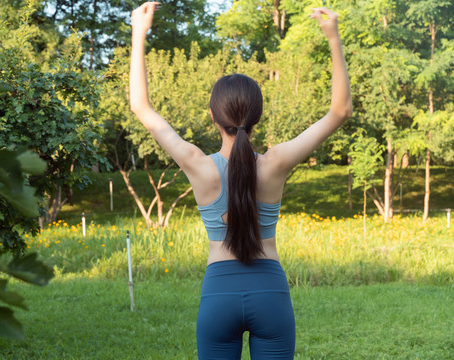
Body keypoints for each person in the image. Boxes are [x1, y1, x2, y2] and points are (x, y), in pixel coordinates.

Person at [130, 3, 351, 359]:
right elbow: (340, 112)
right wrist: (333, 36)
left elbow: (141, 107)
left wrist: (138, 32)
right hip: (271, 295)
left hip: (218, 295)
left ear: (212, 116)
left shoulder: (196, 164)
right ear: (258, 116)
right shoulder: (276, 163)